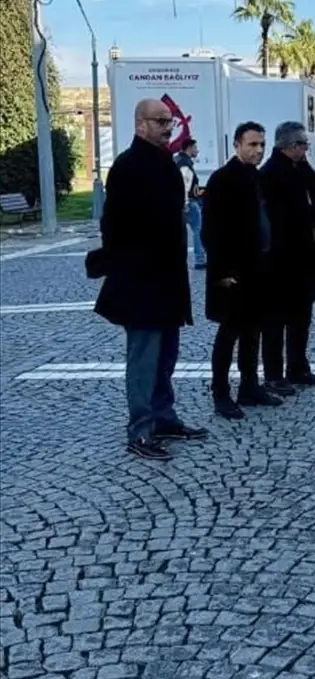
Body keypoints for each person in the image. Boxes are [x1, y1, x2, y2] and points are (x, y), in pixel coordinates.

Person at [94, 98, 208, 460]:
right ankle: (140, 430)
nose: (167, 127)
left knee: (167, 356)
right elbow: (113, 226)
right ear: (140, 123)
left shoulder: (167, 164)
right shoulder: (127, 167)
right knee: (144, 359)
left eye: (169, 122)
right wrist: (126, 264)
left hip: (169, 278)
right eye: (160, 121)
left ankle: (163, 416)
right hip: (141, 279)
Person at [201, 121, 280, 420]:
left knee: (253, 330)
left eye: (261, 144)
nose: (258, 150)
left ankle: (249, 386)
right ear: (237, 145)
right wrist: (222, 271)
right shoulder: (223, 179)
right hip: (232, 272)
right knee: (228, 333)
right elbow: (211, 230)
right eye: (252, 144)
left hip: (258, 267)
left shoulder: (256, 177)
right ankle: (221, 393)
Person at [259, 121, 315, 394]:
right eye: (303, 145)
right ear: (291, 146)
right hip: (278, 259)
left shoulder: (297, 168)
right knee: (276, 319)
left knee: (302, 316)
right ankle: (274, 375)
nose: (306, 149)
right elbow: (290, 213)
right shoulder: (272, 173)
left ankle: (298, 367)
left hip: (301, 256)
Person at [175, 138, 206, 270]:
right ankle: (200, 259)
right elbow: (184, 185)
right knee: (198, 230)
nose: (197, 151)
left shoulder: (179, 161)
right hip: (189, 203)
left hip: (183, 202)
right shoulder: (185, 164)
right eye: (195, 148)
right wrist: (185, 203)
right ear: (189, 147)